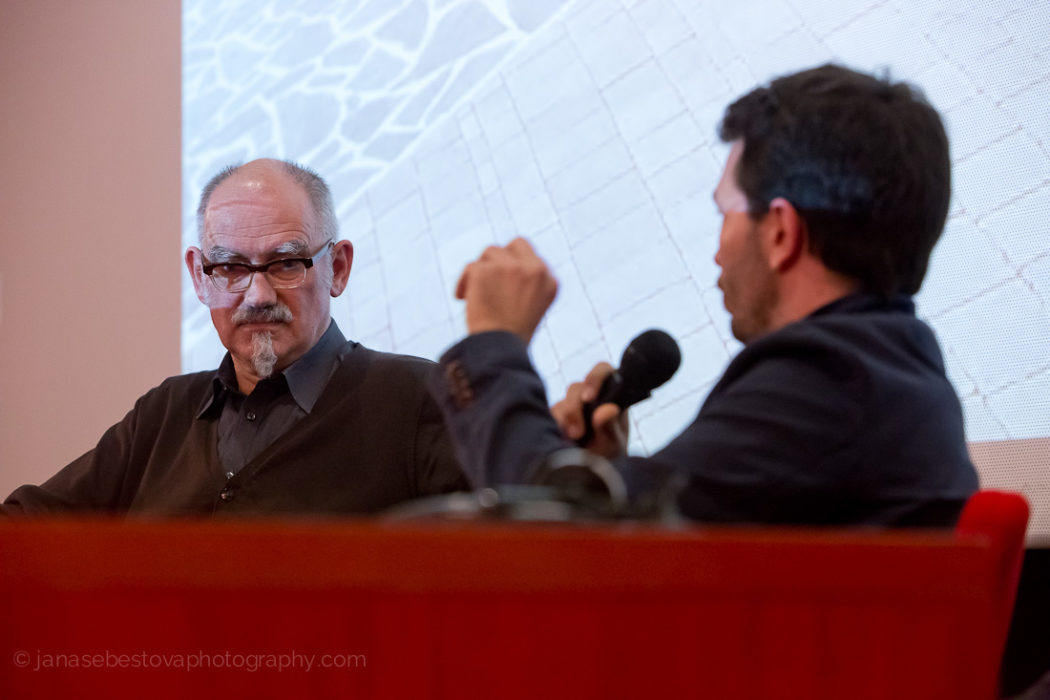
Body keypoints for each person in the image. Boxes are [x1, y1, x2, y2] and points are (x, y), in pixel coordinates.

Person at [429, 64, 979, 526]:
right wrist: (603, 478)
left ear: (781, 233)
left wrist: (494, 345)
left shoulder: (830, 383)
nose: (717, 252)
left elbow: (562, 547)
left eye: (725, 213)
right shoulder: (890, 376)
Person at [2, 159, 467, 516]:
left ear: (338, 268)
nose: (258, 295)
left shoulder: (419, 400)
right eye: (229, 267)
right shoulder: (164, 416)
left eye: (286, 263)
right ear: (199, 276)